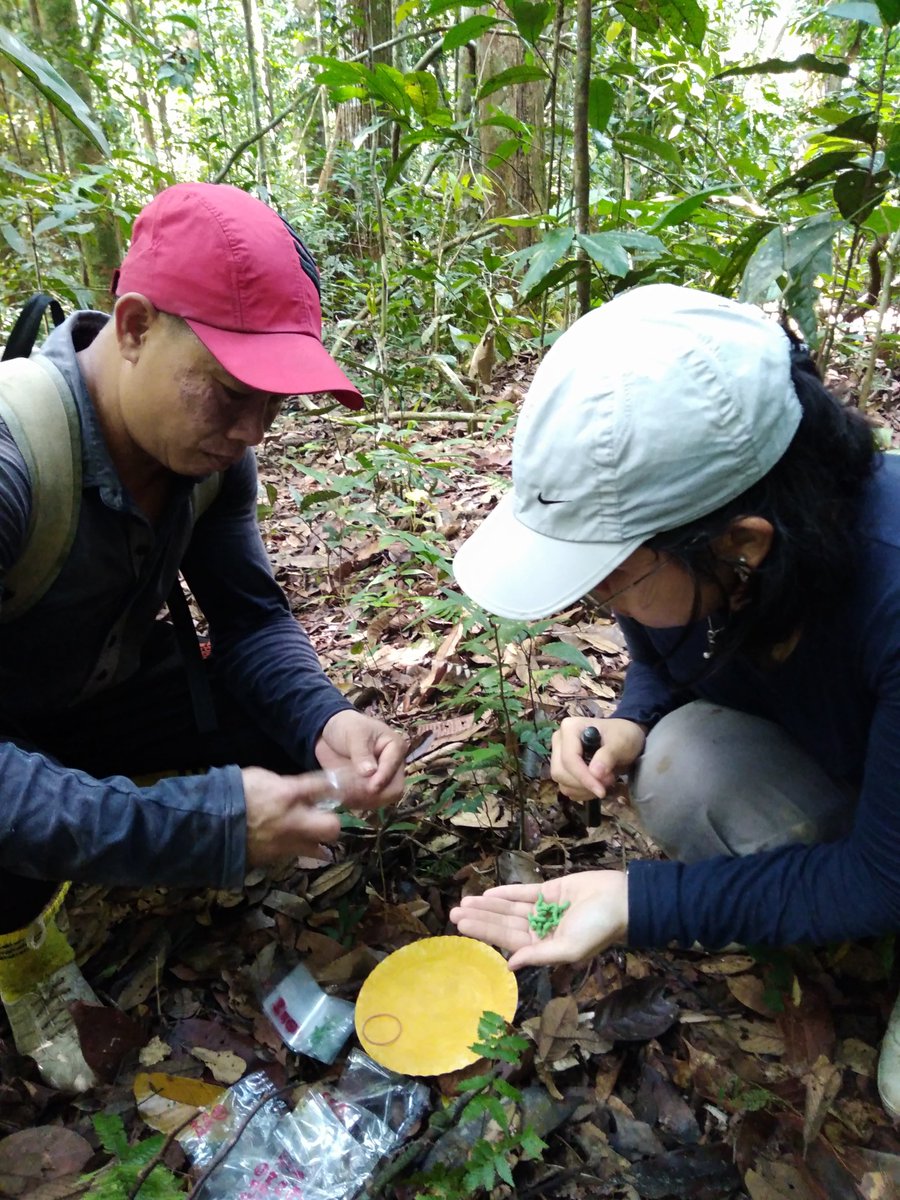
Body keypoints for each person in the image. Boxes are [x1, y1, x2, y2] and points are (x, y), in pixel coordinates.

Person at [448, 283, 900, 1117]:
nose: (599, 597)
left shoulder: (889, 588)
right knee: (677, 761)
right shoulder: (720, 555)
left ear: (743, 546)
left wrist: (636, 903)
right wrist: (627, 720)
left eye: (613, 570)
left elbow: (885, 873)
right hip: (856, 767)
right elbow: (673, 646)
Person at [0, 183, 407, 1091]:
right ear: (136, 325)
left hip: (89, 693)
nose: (253, 430)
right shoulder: (12, 461)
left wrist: (324, 720)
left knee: (279, 728)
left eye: (273, 403)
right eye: (229, 393)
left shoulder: (213, 457)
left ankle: (102, 835)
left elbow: (249, 618)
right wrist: (198, 827)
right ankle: (19, 937)